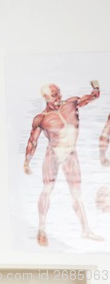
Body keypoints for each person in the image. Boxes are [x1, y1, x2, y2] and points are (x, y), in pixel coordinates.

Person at [23, 80, 103, 247]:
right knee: (47, 189)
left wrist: (96, 87)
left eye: (58, 93)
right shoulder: (41, 118)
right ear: (45, 98)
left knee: (77, 194)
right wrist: (26, 161)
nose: (58, 97)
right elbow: (32, 141)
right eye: (54, 95)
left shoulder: (71, 103)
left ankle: (86, 230)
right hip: (53, 154)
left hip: (70, 154)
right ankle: (42, 229)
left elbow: (93, 97)